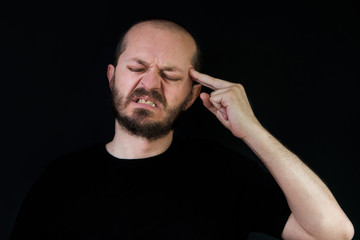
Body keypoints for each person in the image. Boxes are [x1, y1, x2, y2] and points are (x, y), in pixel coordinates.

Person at [10, 19, 354, 240]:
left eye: (170, 75)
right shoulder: (61, 178)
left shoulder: (224, 173)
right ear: (113, 76)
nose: (150, 84)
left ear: (191, 96)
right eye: (138, 67)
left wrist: (253, 132)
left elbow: (334, 233)